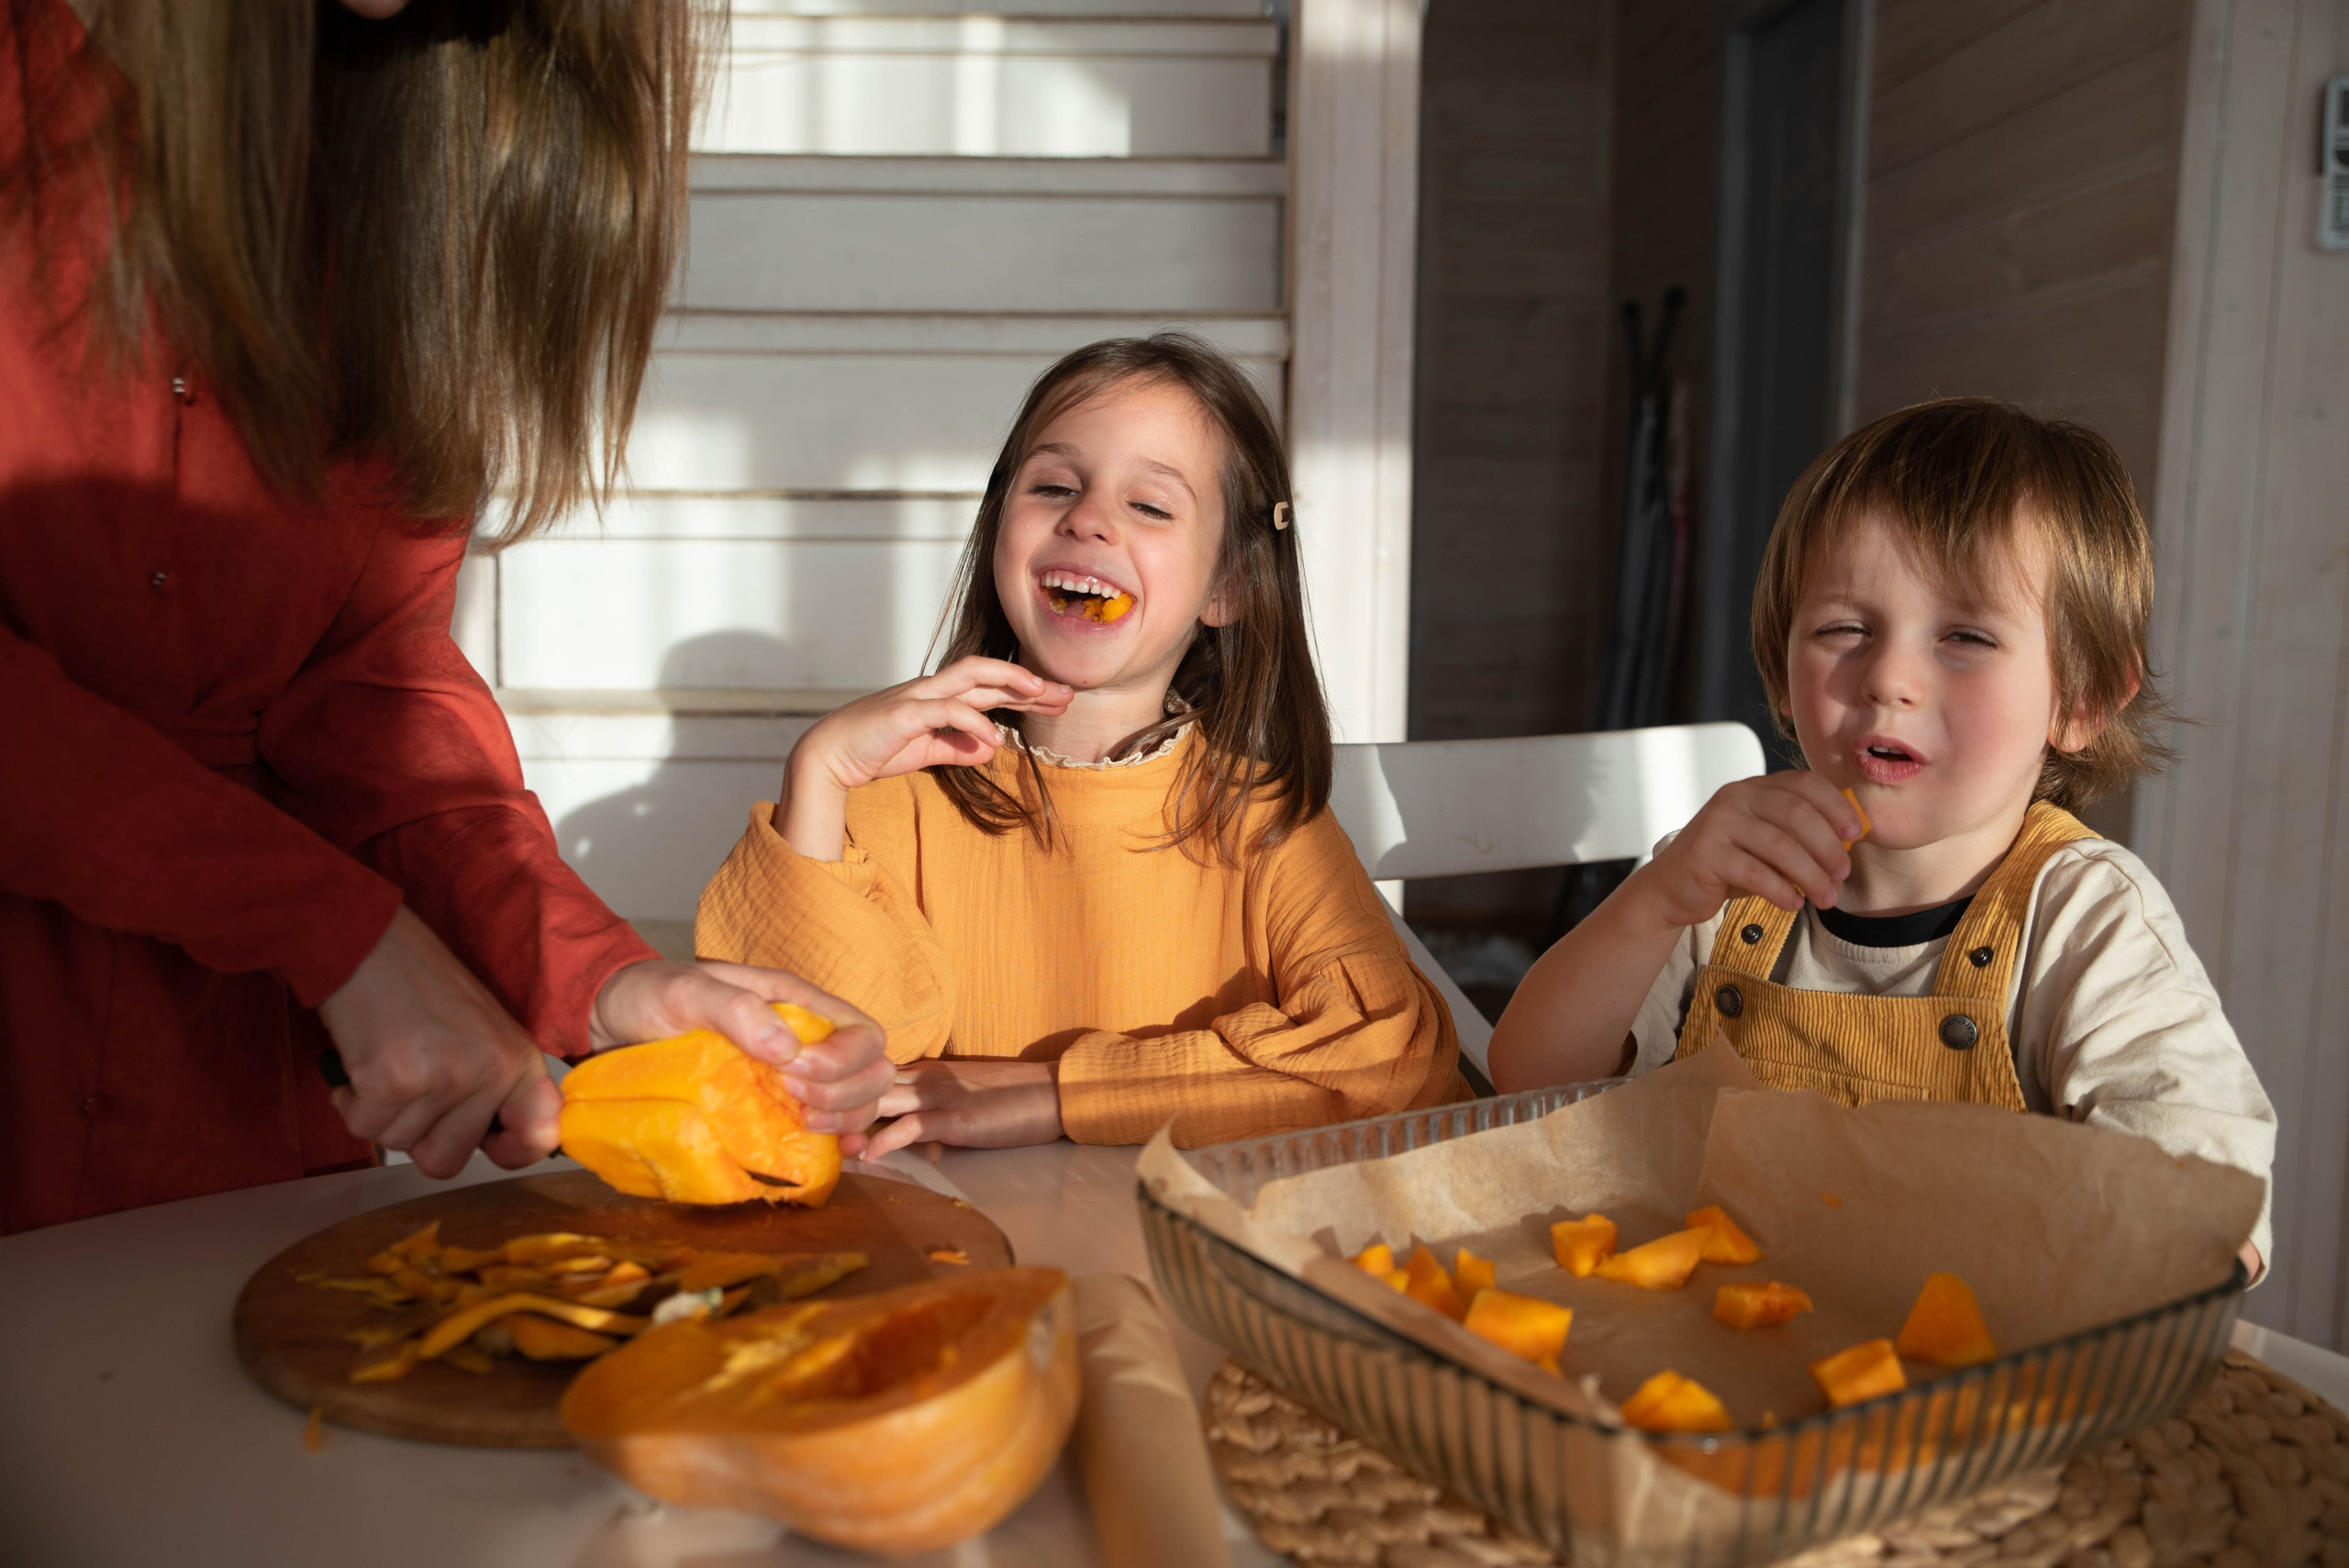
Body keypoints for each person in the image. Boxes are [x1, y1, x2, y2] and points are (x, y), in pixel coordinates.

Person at [0, 0, 890, 1233]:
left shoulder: (416, 161)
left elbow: (365, 684)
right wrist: (341, 934)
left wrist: (604, 981)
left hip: (228, 1132)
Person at [1487, 398, 2276, 1271]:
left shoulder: (2086, 917)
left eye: (1967, 636)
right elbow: (1532, 1078)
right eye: (1844, 629)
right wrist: (1655, 899)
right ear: (1782, 674)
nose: (1889, 677)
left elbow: (2211, 1204)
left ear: (2081, 698)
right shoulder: (1723, 881)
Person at [696, 333, 1466, 1157]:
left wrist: (1062, 1094)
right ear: (1000, 532)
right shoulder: (895, 796)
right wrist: (817, 774)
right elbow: (796, 1061)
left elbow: (1393, 1057)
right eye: (1055, 484)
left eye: (1151, 505)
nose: (1089, 519)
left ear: (1229, 585)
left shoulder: (1267, 824)